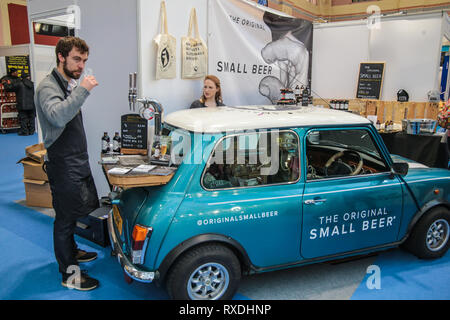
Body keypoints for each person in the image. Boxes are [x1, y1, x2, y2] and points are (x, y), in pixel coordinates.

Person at [35, 36, 100, 291]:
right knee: (63, 218)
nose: (81, 65)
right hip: (62, 163)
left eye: (84, 60)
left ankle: (73, 251)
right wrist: (83, 89)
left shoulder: (66, 83)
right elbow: (58, 116)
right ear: (61, 57)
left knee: (73, 212)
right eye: (76, 59)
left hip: (75, 160)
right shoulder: (47, 86)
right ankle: (69, 273)